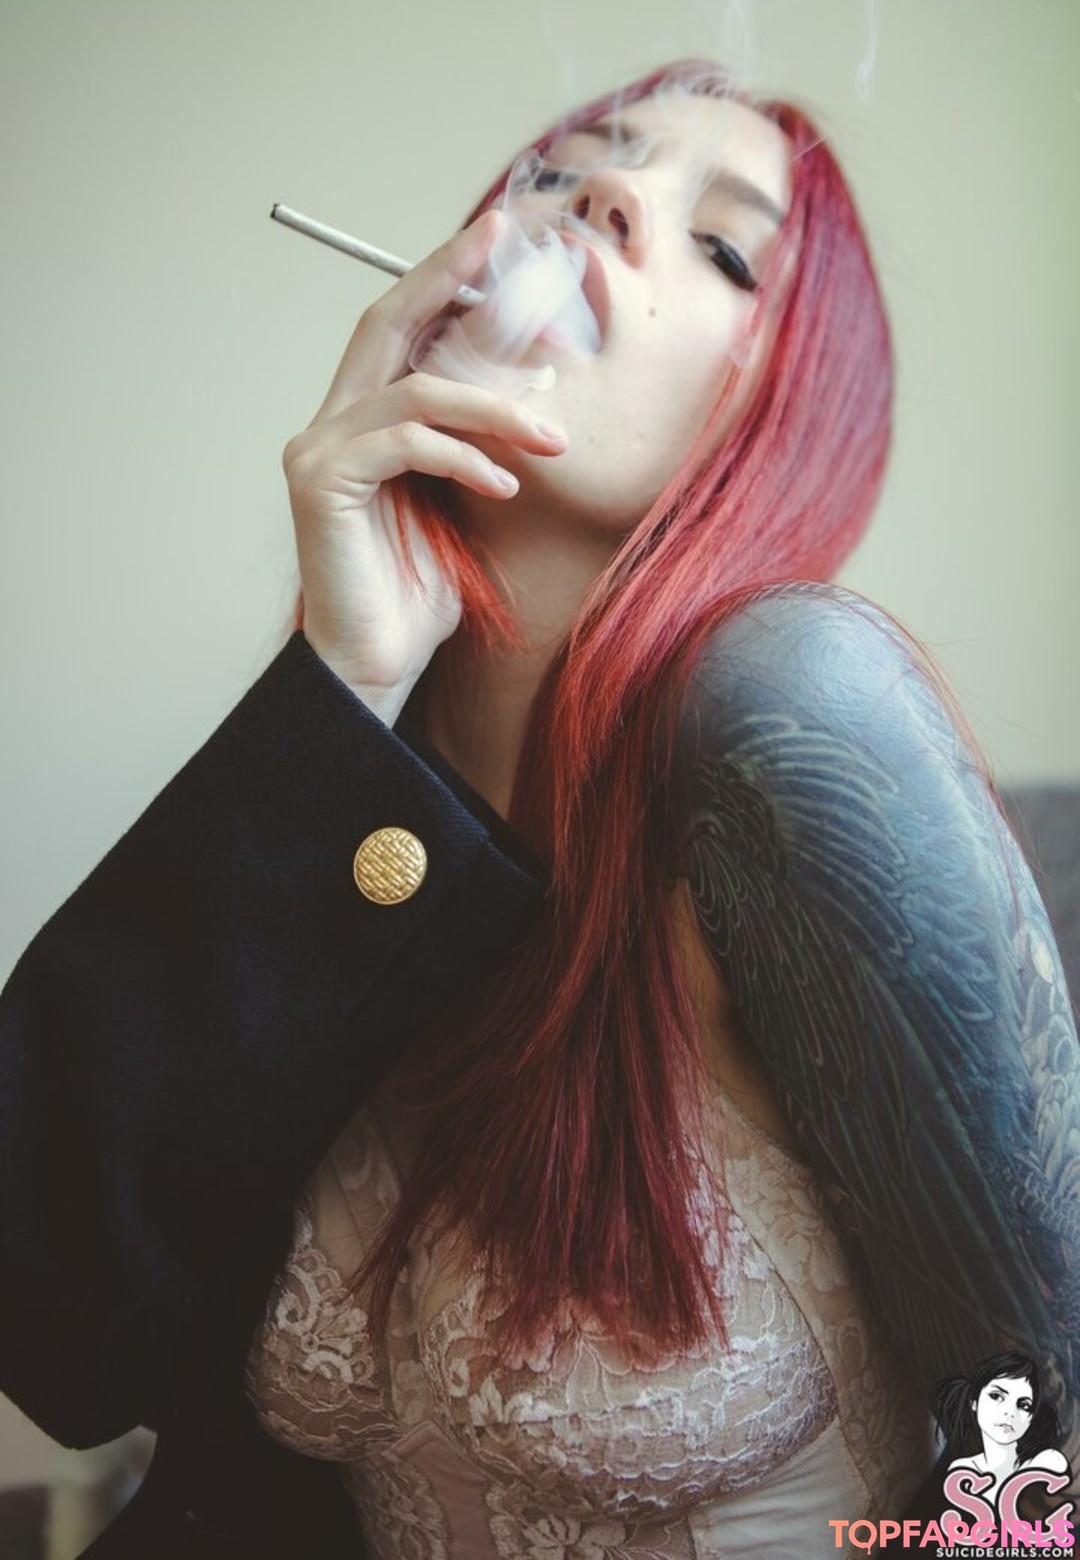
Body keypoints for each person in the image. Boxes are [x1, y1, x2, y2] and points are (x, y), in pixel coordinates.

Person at [1, 57, 1078, 1560]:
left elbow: (1038, 1473)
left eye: (725, 248)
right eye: (564, 169)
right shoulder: (342, 772)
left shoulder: (800, 709)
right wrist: (336, 692)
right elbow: (52, 1341)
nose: (602, 195)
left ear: (778, 421)